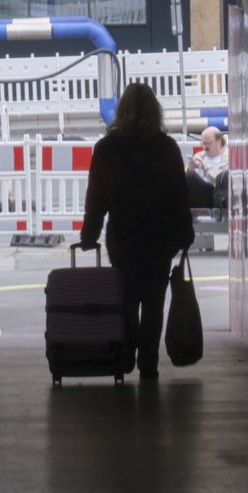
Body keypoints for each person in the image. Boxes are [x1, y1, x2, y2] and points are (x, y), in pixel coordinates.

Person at [79, 83, 195, 381]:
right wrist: (184, 233)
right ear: (155, 110)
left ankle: (127, 350)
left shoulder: (106, 150)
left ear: (122, 111)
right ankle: (149, 364)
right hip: (159, 238)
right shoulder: (166, 148)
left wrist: (89, 234)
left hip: (123, 237)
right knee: (154, 301)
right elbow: (178, 195)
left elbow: (97, 197)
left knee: (126, 299)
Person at [186, 126, 229, 210]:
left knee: (191, 176)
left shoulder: (228, 157)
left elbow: (220, 181)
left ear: (219, 142)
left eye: (208, 143)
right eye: (203, 143)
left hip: (214, 192)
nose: (205, 147)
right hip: (197, 192)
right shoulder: (200, 155)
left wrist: (205, 167)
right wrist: (189, 168)